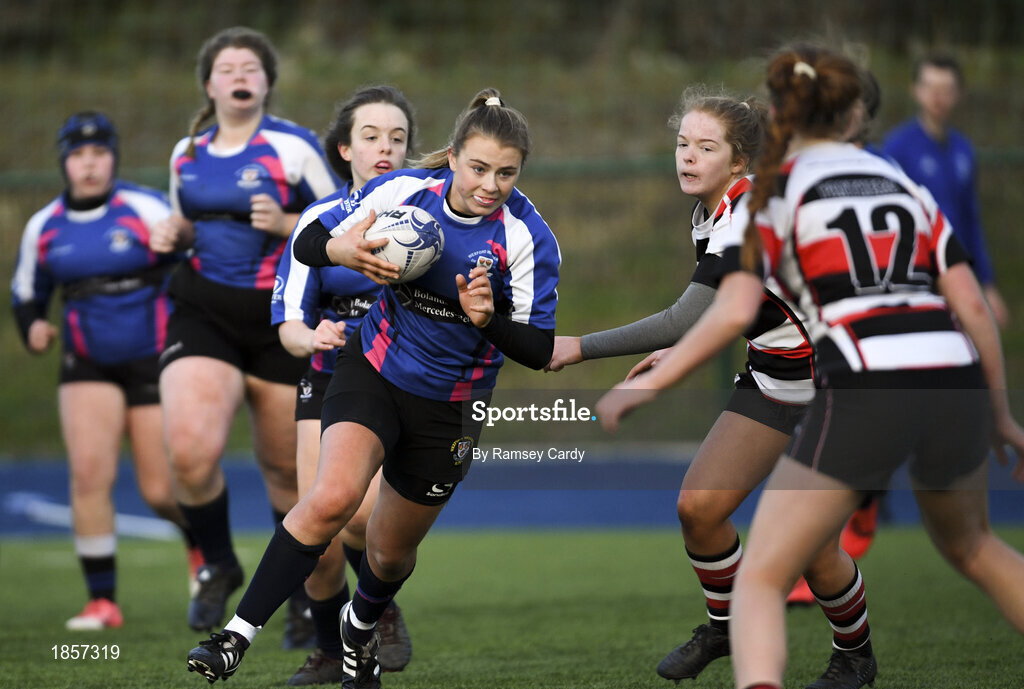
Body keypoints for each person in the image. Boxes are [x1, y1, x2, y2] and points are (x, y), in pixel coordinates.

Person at [596, 46, 1024, 689]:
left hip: (855, 380)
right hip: (949, 377)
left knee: (767, 574)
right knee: (974, 549)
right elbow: (970, 307)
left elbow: (731, 309)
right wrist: (1000, 415)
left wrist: (656, 379)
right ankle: (846, 653)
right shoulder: (903, 185)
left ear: (779, 123)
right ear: (854, 118)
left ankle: (839, 654)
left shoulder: (773, 196)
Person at [185, 87, 559, 688]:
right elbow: (310, 243)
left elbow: (540, 349)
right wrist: (344, 249)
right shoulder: (403, 194)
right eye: (478, 168)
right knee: (331, 500)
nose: (490, 185)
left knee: (387, 553)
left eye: (506, 173)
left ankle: (361, 629)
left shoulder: (526, 238)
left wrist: (488, 319)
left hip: (451, 408)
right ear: (453, 155)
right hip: (375, 369)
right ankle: (235, 636)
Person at [546, 87, 877, 688]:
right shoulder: (711, 212)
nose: (688, 157)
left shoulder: (747, 211)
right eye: (682, 144)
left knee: (813, 544)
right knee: (699, 510)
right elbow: (741, 306)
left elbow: (683, 316)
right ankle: (725, 627)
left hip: (829, 385)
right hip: (773, 378)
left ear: (740, 161)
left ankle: (855, 656)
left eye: (706, 146)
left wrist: (578, 347)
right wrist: (680, 349)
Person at [148, 26, 338, 640]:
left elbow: (344, 229)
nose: (239, 75)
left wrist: (287, 221)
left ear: (266, 84)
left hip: (280, 315)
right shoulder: (187, 152)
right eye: (227, 67)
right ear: (210, 83)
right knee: (190, 448)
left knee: (287, 473)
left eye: (251, 67)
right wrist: (173, 236)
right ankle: (218, 563)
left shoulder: (295, 148)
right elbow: (181, 222)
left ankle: (307, 597)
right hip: (204, 309)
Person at [10, 111, 199, 630]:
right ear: (65, 163)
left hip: (152, 357)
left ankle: (201, 545)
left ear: (112, 158)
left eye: (99, 154)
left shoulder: (143, 208)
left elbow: (189, 256)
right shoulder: (44, 226)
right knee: (90, 475)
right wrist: (32, 328)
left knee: (161, 490)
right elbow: (27, 293)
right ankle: (102, 602)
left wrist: (178, 243)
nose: (89, 165)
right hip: (86, 361)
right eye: (78, 155)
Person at [272, 85, 417, 685]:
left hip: (394, 383)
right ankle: (333, 651)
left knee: (359, 518)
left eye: (398, 137)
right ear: (344, 149)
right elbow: (289, 324)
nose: (385, 147)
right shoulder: (317, 221)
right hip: (326, 378)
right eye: (371, 136)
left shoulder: (425, 220)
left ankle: (377, 612)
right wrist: (315, 337)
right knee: (317, 548)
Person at [883, 53, 1009, 327]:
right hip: (915, 276)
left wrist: (987, 284)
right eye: (930, 88)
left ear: (959, 94)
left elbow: (971, 219)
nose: (938, 97)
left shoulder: (964, 150)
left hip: (957, 274)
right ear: (915, 90)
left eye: (946, 89)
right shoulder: (896, 148)